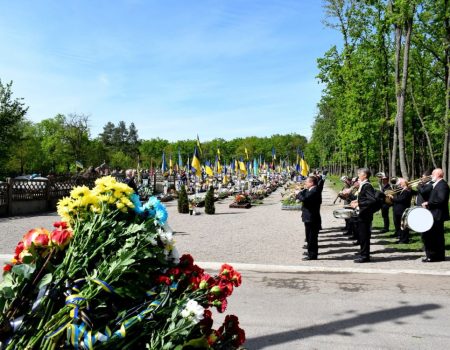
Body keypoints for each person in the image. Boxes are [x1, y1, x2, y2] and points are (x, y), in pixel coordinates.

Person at [421, 168, 449, 262]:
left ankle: (433, 256)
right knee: (436, 236)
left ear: (437, 175)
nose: (431, 176)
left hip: (437, 214)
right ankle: (437, 256)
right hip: (434, 213)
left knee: (433, 236)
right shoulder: (436, 184)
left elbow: (441, 199)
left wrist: (428, 203)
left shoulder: (442, 185)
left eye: (432, 174)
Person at [350, 168, 376, 263]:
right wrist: (356, 201)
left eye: (359, 173)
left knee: (364, 236)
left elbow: (372, 200)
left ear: (365, 175)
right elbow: (365, 198)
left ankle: (365, 256)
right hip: (362, 214)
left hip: (365, 215)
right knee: (361, 235)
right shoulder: (363, 185)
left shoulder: (367, 186)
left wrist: (359, 204)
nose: (358, 175)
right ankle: (363, 252)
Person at [296, 176, 321, 260]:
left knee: (312, 237)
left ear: (312, 183)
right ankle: (310, 251)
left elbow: (304, 198)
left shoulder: (315, 190)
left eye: (307, 182)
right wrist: (301, 193)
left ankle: (312, 255)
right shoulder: (310, 189)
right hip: (308, 216)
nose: (305, 183)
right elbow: (304, 193)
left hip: (312, 217)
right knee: (308, 236)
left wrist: (298, 194)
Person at [388, 178, 412, 243]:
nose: (399, 184)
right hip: (398, 210)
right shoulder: (402, 190)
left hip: (403, 210)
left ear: (404, 183)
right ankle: (401, 238)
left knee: (403, 226)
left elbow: (401, 200)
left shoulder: (406, 191)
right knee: (400, 225)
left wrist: (392, 197)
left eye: (401, 183)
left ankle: (405, 239)